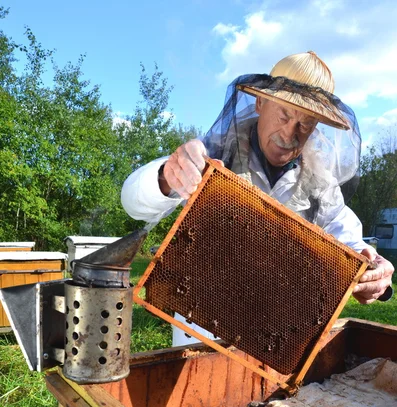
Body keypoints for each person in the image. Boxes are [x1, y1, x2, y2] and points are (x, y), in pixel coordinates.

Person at [121, 51, 394, 346]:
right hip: (200, 326)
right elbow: (133, 202)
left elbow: (350, 241)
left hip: (275, 335)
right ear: (260, 103)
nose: (290, 134)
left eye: (305, 124)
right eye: (285, 115)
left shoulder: (321, 183)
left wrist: (376, 269)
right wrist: (166, 175)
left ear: (316, 127)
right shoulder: (213, 153)